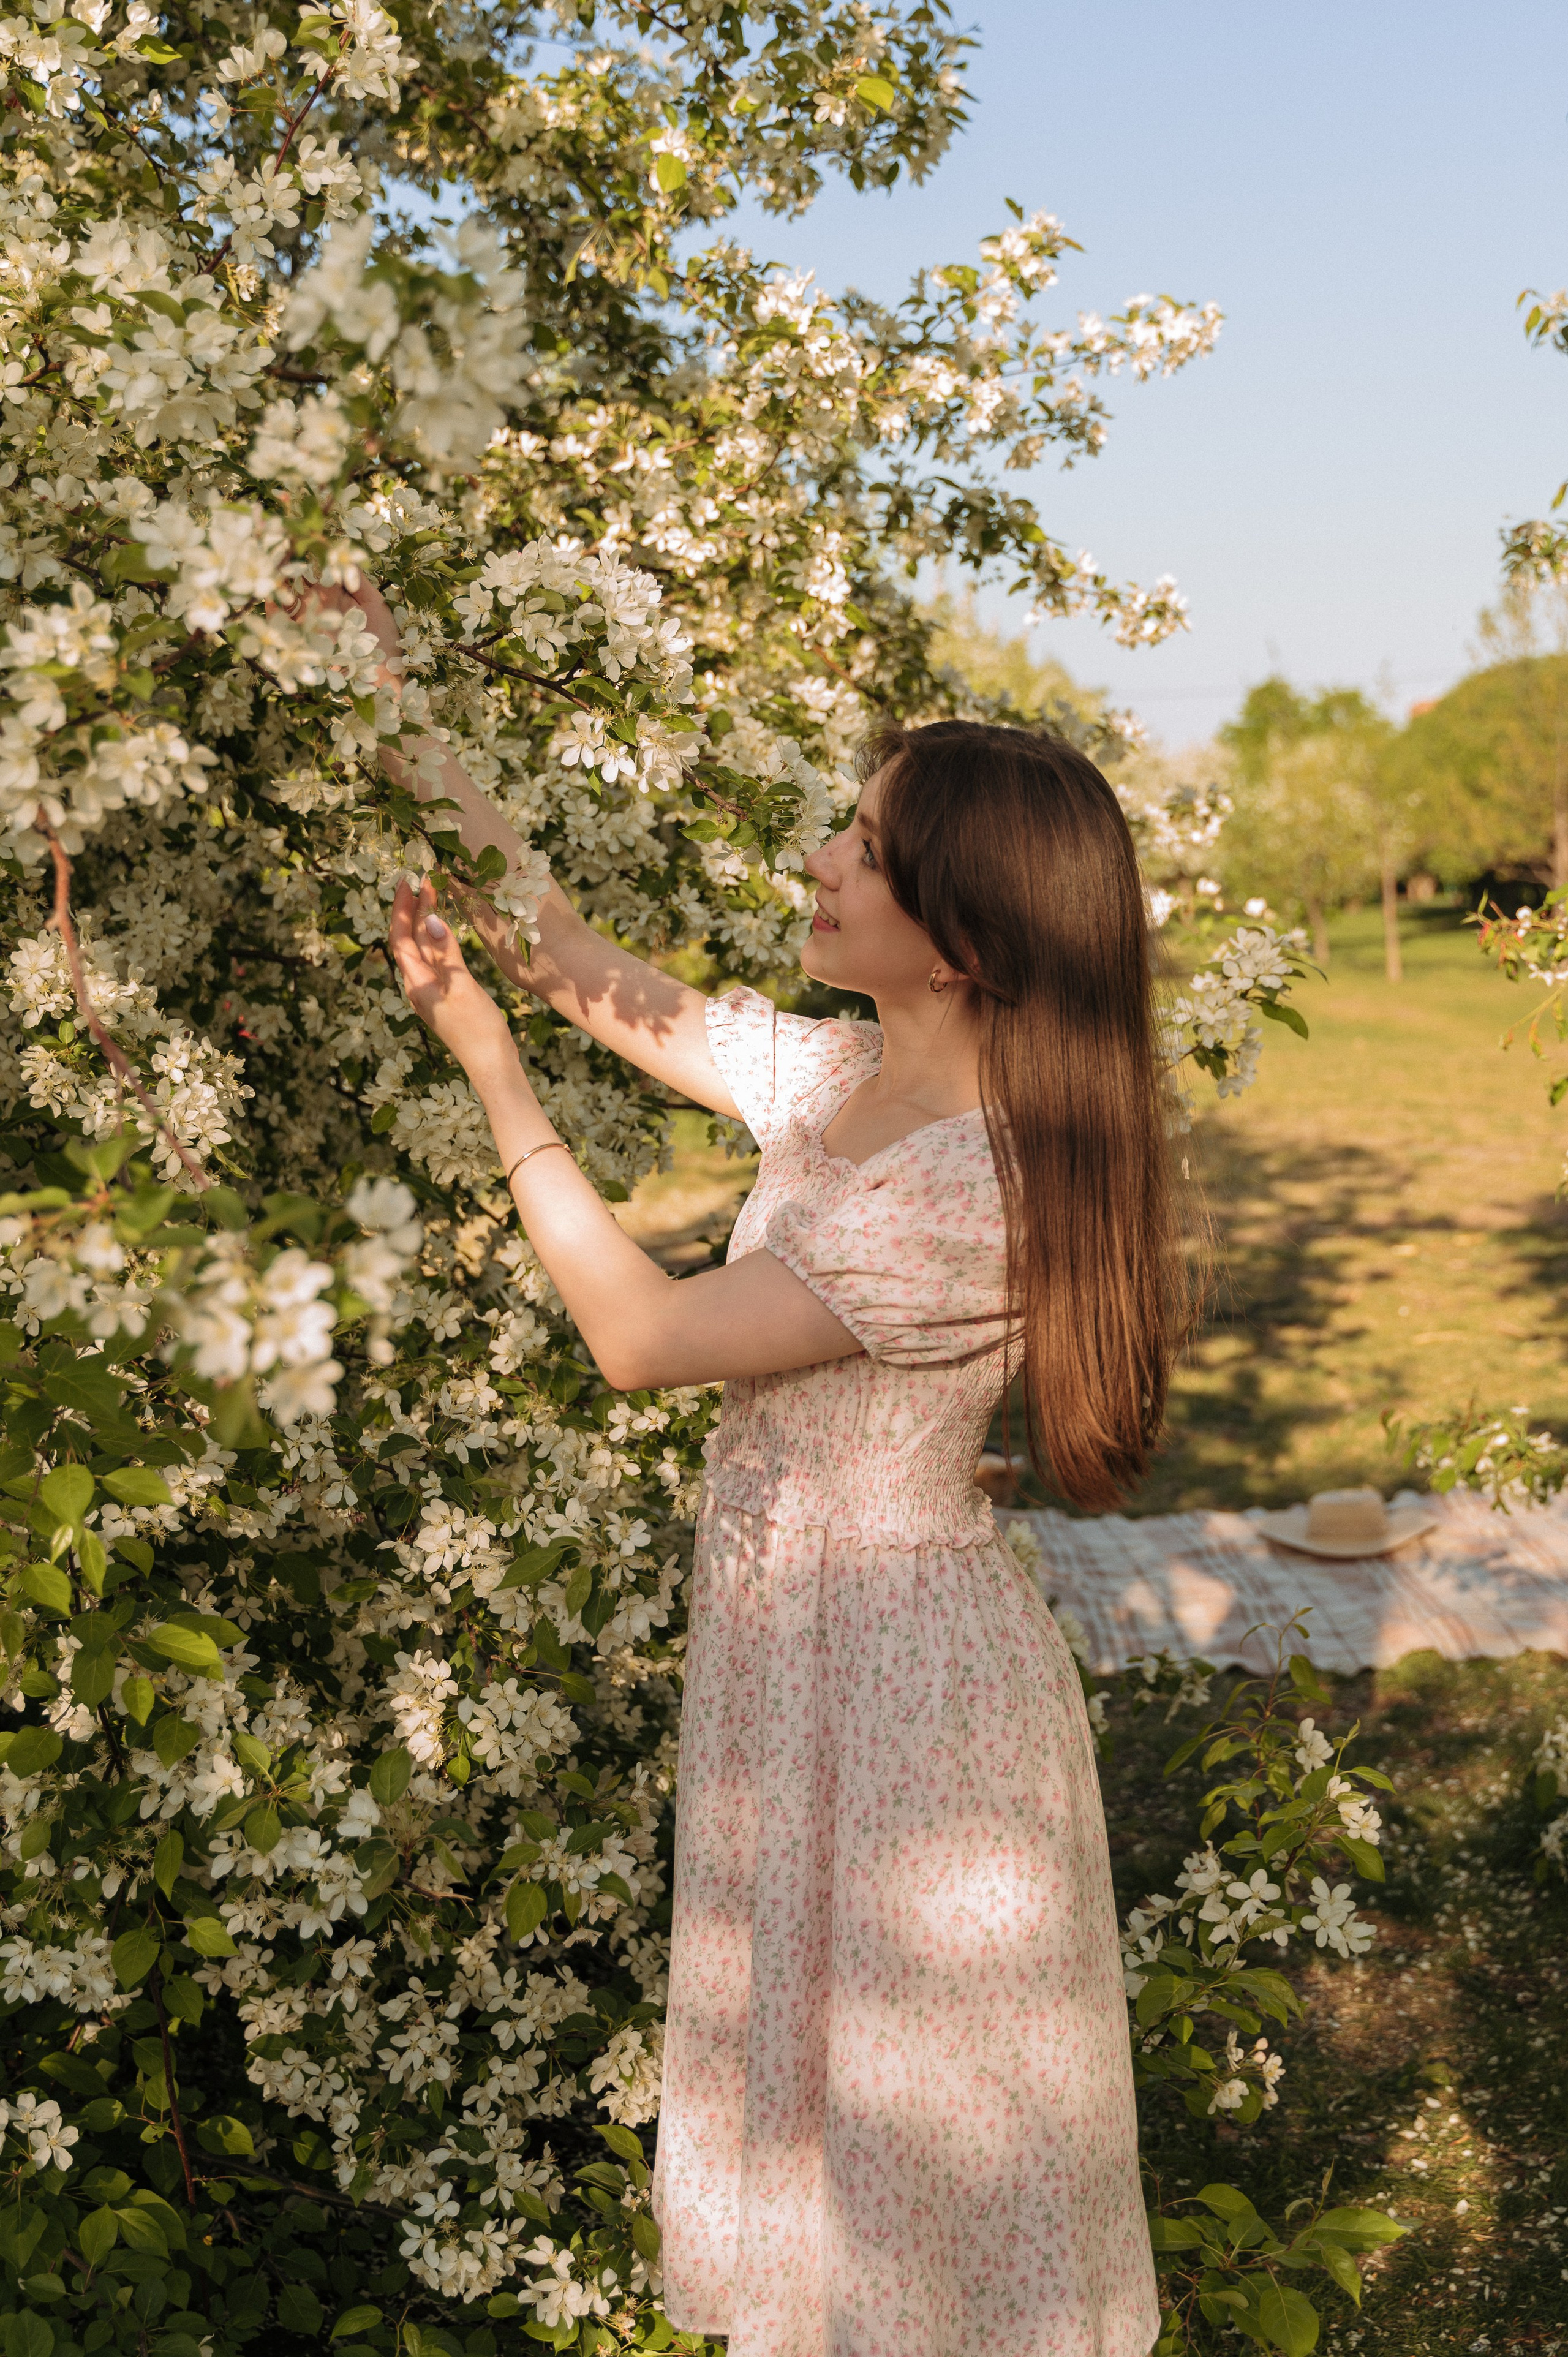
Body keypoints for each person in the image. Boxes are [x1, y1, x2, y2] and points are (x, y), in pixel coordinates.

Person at [350, 576, 1170, 2356]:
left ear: (956, 934)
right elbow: (577, 961)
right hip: (801, 1662)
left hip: (905, 1702)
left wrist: (491, 1075)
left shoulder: (978, 1188)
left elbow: (642, 1337)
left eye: (862, 847)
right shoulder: (844, 1080)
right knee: (815, 2133)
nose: (820, 855)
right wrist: (398, 694)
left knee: (921, 2151)